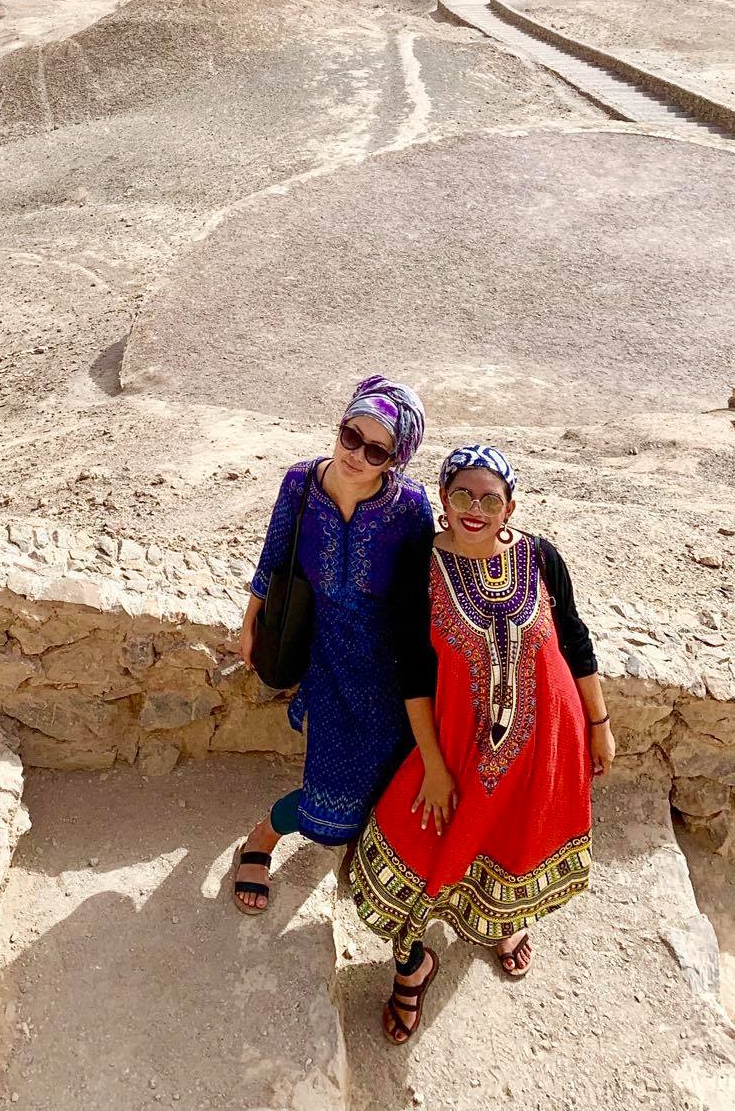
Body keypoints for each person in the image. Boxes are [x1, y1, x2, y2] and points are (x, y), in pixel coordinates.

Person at [345, 442, 613, 1042]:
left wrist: (598, 723)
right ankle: (413, 965)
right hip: (456, 751)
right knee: (416, 859)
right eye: (462, 494)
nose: (475, 508)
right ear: (443, 498)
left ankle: (504, 924)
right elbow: (412, 672)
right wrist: (435, 767)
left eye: (490, 498)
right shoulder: (420, 565)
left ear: (509, 507)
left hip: (547, 743)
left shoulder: (542, 558)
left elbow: (573, 639)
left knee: (515, 844)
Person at [230, 376, 436, 914]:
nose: (356, 455)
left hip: (389, 672)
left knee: (388, 784)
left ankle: (368, 866)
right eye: (351, 436)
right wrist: (251, 622)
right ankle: (262, 837)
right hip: (326, 659)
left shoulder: (410, 507)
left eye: (376, 450)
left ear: (395, 459)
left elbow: (422, 596)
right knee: (328, 783)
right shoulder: (300, 483)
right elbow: (274, 558)